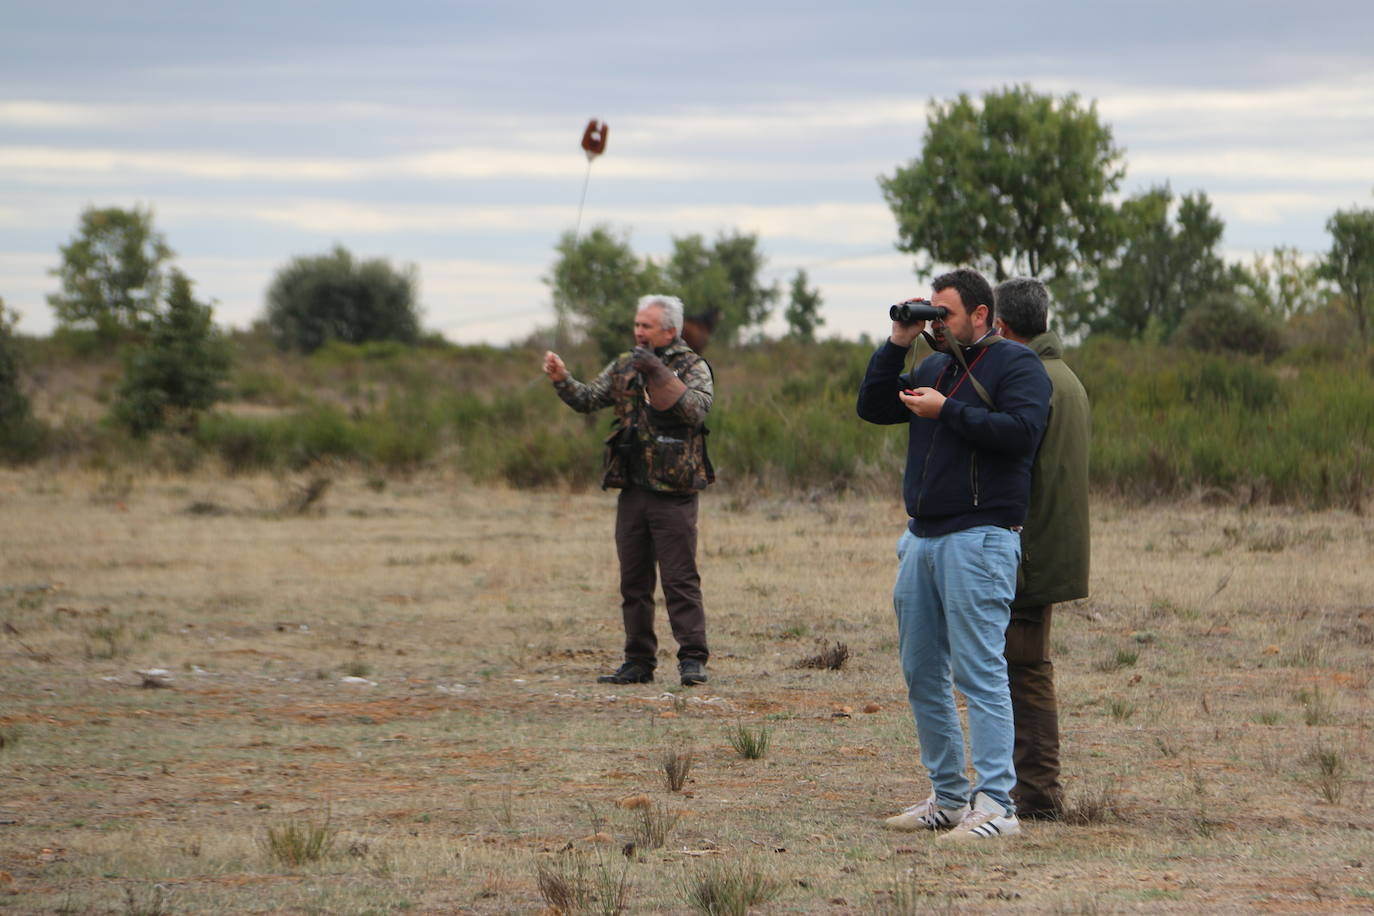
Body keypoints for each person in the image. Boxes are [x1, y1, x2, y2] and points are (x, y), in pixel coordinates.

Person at [857, 267, 1051, 842]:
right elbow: (872, 406)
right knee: (921, 671)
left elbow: (1022, 434)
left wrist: (948, 412)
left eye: (944, 314)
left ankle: (996, 805)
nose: (933, 324)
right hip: (922, 538)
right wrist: (897, 340)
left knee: (980, 671)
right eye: (928, 315)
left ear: (982, 315)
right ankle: (947, 797)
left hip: (982, 536)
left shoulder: (1018, 365)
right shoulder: (934, 366)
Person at [543, 295, 715, 687]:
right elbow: (588, 399)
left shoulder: (692, 366)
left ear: (670, 330)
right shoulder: (625, 364)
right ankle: (638, 661)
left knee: (679, 579)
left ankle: (692, 660)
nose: (638, 332)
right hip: (632, 488)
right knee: (633, 581)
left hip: (674, 490)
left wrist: (658, 372)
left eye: (647, 326)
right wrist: (561, 379)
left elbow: (696, 411)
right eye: (637, 324)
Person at [992, 277, 1091, 821]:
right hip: (1050, 543)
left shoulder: (1033, 381)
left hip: (1031, 547)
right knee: (1024, 664)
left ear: (1002, 326)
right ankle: (1031, 788)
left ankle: (1038, 794)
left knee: (1025, 666)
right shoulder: (1065, 377)